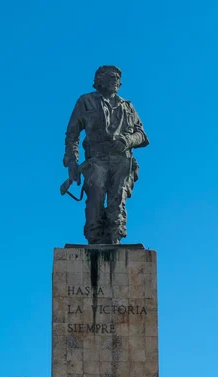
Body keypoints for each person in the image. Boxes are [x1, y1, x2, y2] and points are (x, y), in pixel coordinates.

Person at [63, 66, 149, 244]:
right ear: (99, 80)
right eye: (112, 76)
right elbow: (72, 134)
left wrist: (127, 141)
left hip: (122, 160)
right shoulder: (85, 101)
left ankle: (115, 237)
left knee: (118, 199)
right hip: (96, 159)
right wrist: (72, 162)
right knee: (95, 197)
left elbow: (142, 134)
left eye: (118, 78)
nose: (117, 80)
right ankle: (94, 237)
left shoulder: (127, 106)